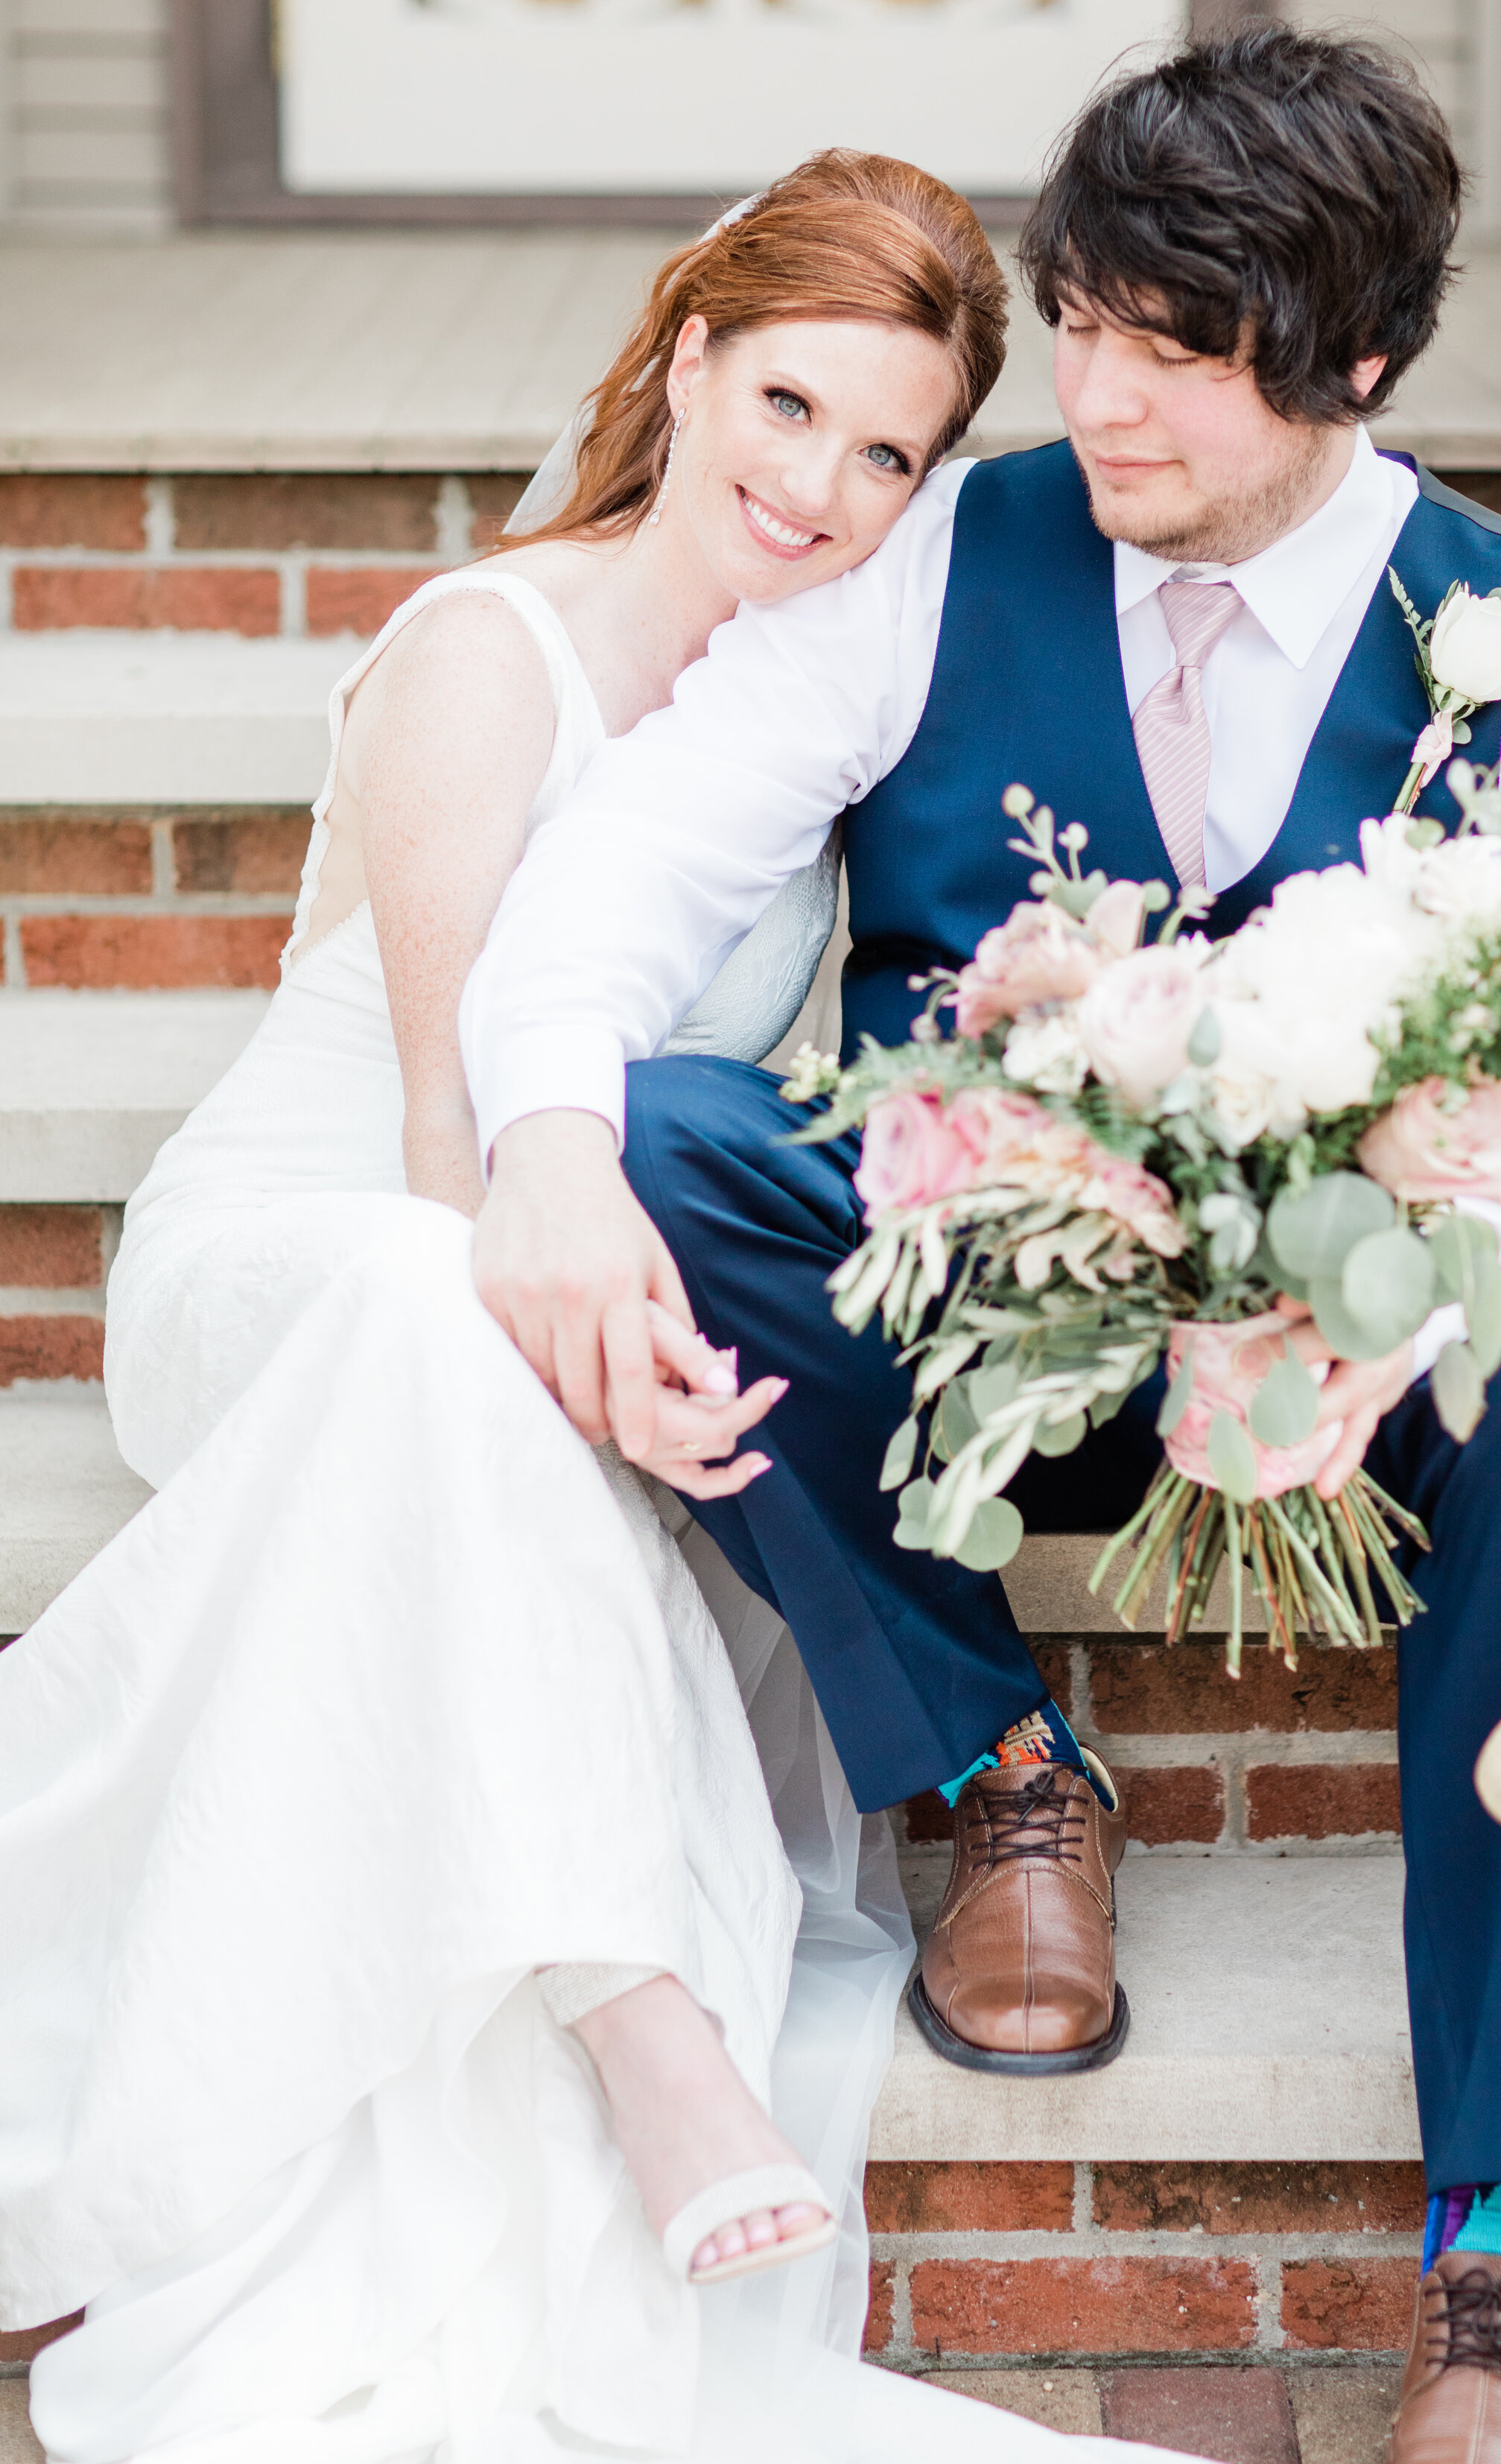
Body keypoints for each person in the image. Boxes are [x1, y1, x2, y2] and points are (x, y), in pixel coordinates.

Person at [463, 26, 1501, 2464]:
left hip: (1341, 1324)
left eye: (1181, 350)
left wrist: (1460, 1276)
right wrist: (539, 1134)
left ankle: (1496, 2250)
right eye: (1086, 325)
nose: (1104, 400)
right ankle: (1008, 1766)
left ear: (1354, 359)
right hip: (976, 1295)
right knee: (683, 1139)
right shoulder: (941, 561)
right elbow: (636, 865)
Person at [0, 153, 1183, 2464]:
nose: (818, 487)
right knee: (435, 1318)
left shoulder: (808, 708)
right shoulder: (489, 651)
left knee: (523, 1371)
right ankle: (644, 2031)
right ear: (686, 361)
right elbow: (453, 1144)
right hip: (316, 1257)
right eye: (788, 405)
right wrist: (602, 1381)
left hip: (533, 1327)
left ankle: (621, 1994)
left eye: (887, 454)